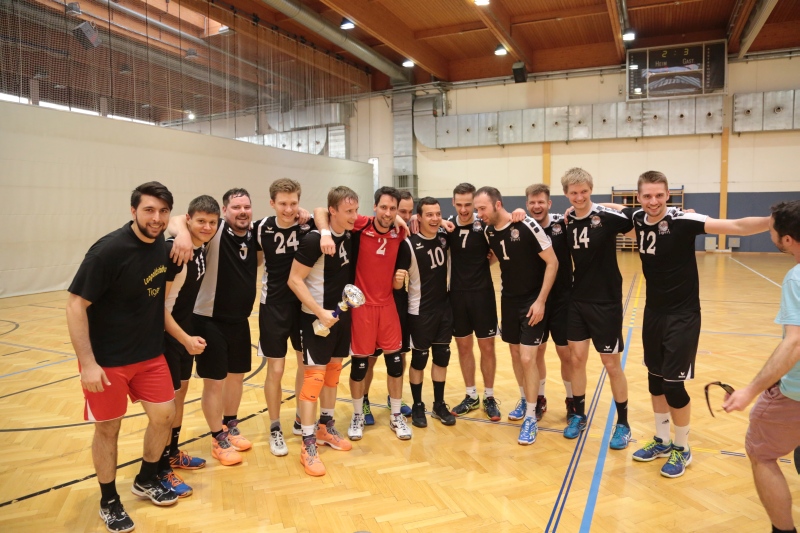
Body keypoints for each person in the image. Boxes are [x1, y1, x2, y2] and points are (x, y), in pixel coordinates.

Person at [610, 171, 770, 477]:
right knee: (655, 380)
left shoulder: (683, 220)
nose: (653, 201)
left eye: (659, 195)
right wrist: (582, 205)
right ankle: (661, 440)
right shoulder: (638, 219)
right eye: (647, 196)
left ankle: (682, 448)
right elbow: (613, 208)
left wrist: (773, 221)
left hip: (682, 316)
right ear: (638, 197)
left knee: (673, 385)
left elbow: (736, 225)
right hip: (653, 313)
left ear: (668, 195)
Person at [66, 182, 179, 533]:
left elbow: (186, 223)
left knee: (165, 416)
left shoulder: (161, 241)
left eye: (163, 211)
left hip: (149, 354)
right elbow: (75, 305)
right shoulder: (108, 251)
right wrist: (88, 363)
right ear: (133, 211)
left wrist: (182, 236)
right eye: (149, 210)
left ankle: (146, 479)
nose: (157, 218)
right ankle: (109, 499)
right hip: (107, 360)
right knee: (108, 429)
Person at [723, 200, 800, 533]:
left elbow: (794, 344)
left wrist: (751, 390)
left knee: (762, 452)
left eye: (771, 228)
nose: (768, 232)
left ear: (786, 239)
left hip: (795, 395)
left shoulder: (796, 278)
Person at [168, 188, 259, 467]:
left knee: (236, 378)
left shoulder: (254, 232)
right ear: (225, 210)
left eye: (246, 207)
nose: (242, 212)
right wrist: (182, 235)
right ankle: (217, 437)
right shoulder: (215, 229)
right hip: (208, 320)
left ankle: (230, 426)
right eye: (235, 207)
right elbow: (176, 219)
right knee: (215, 383)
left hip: (239, 321)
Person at [316, 186, 412, 440]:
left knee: (395, 363)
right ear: (375, 207)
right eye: (384, 207)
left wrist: (402, 220)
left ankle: (395, 415)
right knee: (359, 366)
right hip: (361, 308)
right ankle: (358, 415)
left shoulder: (400, 232)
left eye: (393, 209)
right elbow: (321, 211)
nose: (388, 213)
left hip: (388, 306)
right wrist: (324, 233)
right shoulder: (361, 224)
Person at [473, 187, 558, 445]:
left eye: (482, 208)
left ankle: (531, 417)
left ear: (497, 205)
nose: (479, 214)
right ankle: (525, 399)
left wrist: (541, 301)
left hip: (533, 302)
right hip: (508, 301)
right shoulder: (488, 231)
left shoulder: (527, 225)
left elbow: (553, 263)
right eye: (477, 209)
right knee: (514, 354)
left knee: (527, 357)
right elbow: (499, 255)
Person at [288, 186, 358, 476]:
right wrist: (319, 312)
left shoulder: (349, 235)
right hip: (314, 320)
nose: (354, 216)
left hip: (341, 318)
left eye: (356, 210)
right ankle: (307, 444)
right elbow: (294, 280)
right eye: (348, 211)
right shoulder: (315, 240)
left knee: (332, 375)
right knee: (314, 380)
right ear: (333, 211)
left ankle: (324, 427)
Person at [161, 195, 220, 497]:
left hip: (184, 335)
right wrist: (183, 338)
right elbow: (159, 308)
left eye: (212, 222)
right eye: (200, 221)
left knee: (180, 395)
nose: (207, 227)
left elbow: (177, 222)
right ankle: (160, 468)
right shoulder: (176, 252)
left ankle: (172, 453)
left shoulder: (199, 248)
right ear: (188, 220)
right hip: (167, 337)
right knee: (166, 406)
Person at [254, 179, 315, 457]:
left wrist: (309, 214)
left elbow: (325, 214)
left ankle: (301, 418)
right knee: (276, 370)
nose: (288, 209)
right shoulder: (260, 227)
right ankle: (275, 427)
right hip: (273, 305)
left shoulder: (308, 225)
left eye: (293, 203)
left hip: (302, 305)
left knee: (305, 364)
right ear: (272, 203)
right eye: (282, 203)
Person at [396, 197, 456, 428]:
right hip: (419, 311)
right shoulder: (408, 244)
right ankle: (418, 404)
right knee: (419, 360)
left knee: (442, 358)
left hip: (444, 310)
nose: (434, 218)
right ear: (418, 217)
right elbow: (397, 281)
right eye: (429, 214)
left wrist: (443, 223)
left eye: (438, 214)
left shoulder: (444, 238)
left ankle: (439, 404)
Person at [445, 183, 502, 421]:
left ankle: (489, 396)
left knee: (487, 347)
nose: (464, 209)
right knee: (463, 347)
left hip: (483, 295)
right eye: (459, 204)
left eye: (468, 204)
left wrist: (485, 263)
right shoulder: (447, 226)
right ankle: (471, 395)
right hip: (457, 295)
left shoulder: (485, 225)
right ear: (453, 203)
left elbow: (498, 250)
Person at [361, 190, 414, 424]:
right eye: (402, 211)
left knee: (399, 355)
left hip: (397, 301)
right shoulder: (367, 227)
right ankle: (363, 400)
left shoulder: (407, 230)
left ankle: (395, 400)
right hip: (371, 303)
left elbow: (432, 221)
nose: (405, 216)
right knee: (369, 357)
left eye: (409, 212)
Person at [526, 184, 575, 421]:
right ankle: (540, 398)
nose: (537, 206)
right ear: (527, 204)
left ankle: (572, 400)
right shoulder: (524, 226)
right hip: (536, 300)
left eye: (541, 202)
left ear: (549, 203)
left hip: (563, 300)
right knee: (537, 352)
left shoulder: (562, 224)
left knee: (565, 353)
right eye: (532, 202)